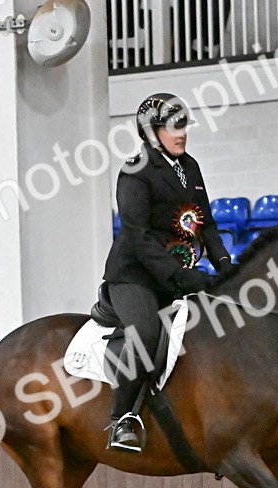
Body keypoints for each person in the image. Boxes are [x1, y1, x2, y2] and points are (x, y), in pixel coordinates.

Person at [101, 93, 236, 452]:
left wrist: (225, 265)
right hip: (135, 276)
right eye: (174, 127)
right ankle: (122, 418)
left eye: (183, 126)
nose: (182, 134)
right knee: (146, 334)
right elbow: (137, 236)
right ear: (151, 131)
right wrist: (180, 275)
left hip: (179, 274)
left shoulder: (189, 167)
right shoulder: (135, 171)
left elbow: (205, 222)